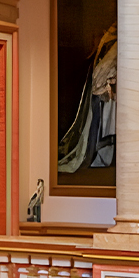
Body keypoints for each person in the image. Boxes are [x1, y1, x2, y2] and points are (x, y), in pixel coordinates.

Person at [57, 22, 118, 173]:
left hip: (107, 94)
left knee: (103, 126)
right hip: (103, 94)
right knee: (98, 126)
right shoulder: (109, 41)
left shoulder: (114, 42)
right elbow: (100, 71)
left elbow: (103, 70)